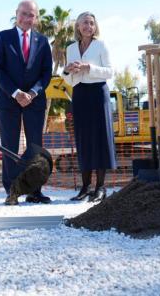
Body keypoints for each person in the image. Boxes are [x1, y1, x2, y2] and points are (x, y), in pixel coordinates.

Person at [0, 0, 53, 205]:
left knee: (35, 147)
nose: (27, 18)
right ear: (16, 13)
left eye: (32, 15)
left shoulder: (43, 41)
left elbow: (46, 73)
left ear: (36, 18)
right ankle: (12, 191)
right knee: (9, 145)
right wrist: (16, 93)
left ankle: (35, 191)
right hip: (8, 100)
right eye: (24, 14)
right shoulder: (2, 37)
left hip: (34, 102)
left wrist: (33, 93)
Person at [63, 12, 117, 202]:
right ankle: (85, 188)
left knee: (100, 139)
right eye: (84, 23)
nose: (88, 26)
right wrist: (67, 71)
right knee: (83, 139)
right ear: (78, 26)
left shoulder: (101, 45)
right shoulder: (70, 48)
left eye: (91, 23)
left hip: (98, 93)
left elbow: (110, 71)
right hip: (79, 94)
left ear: (95, 27)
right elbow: (67, 78)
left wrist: (89, 68)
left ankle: (100, 188)